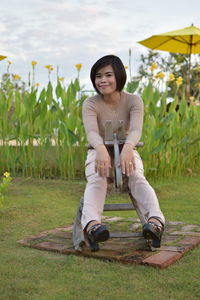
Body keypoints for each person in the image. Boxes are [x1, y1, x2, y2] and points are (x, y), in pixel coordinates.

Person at [81, 55, 165, 251]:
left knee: (137, 176)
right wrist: (101, 149)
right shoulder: (90, 103)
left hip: (127, 149)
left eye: (108, 75)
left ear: (119, 75)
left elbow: (135, 130)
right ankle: (93, 225)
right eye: (98, 76)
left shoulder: (134, 100)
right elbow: (92, 132)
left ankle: (155, 222)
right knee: (97, 178)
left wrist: (128, 148)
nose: (103, 80)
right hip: (98, 150)